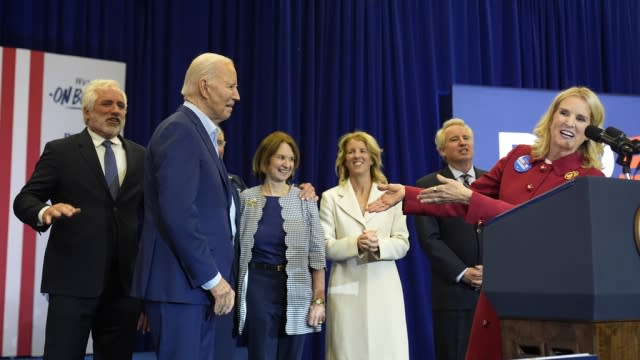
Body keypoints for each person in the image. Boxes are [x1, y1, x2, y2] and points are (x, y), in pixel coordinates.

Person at [367, 86, 606, 359]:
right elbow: (463, 200)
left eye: (580, 118)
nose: (569, 122)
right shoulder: (520, 157)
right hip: (497, 292)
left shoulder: (590, 177)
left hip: (545, 300)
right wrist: (409, 194)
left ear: (590, 130)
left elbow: (538, 224)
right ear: (552, 116)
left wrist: (470, 198)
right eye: (564, 112)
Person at [13, 79, 145, 360]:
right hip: (72, 282)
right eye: (107, 103)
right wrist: (44, 212)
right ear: (86, 112)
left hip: (124, 286)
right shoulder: (61, 151)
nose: (116, 111)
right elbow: (24, 199)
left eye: (121, 106)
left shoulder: (141, 156)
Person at [131, 53, 241, 360]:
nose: (237, 95)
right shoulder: (180, 130)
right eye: (230, 86)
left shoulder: (199, 134)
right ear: (205, 87)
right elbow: (178, 214)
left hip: (193, 289)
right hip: (181, 287)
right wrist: (214, 279)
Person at [319, 131, 410, 360]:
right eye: (351, 151)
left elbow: (402, 242)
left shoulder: (391, 194)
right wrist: (356, 244)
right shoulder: (331, 197)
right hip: (345, 286)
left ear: (372, 158)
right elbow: (324, 246)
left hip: (384, 287)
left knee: (387, 350)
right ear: (344, 159)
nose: (356, 156)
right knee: (347, 351)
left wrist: (378, 245)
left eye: (362, 151)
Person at [236, 131, 326, 360]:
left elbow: (317, 256)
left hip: (297, 288)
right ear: (266, 159)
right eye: (281, 157)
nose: (286, 164)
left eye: (291, 159)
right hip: (257, 288)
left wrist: (318, 300)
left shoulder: (306, 200)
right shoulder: (246, 198)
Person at [414, 118, 486, 360]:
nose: (463, 143)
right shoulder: (428, 185)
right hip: (454, 294)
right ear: (442, 151)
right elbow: (430, 240)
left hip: (492, 293)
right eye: (454, 139)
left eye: (466, 138)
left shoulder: (491, 182)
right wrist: (463, 272)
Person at [217, 127, 248, 193]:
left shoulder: (235, 181)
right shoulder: (194, 179)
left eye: (219, 143)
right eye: (212, 142)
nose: (216, 148)